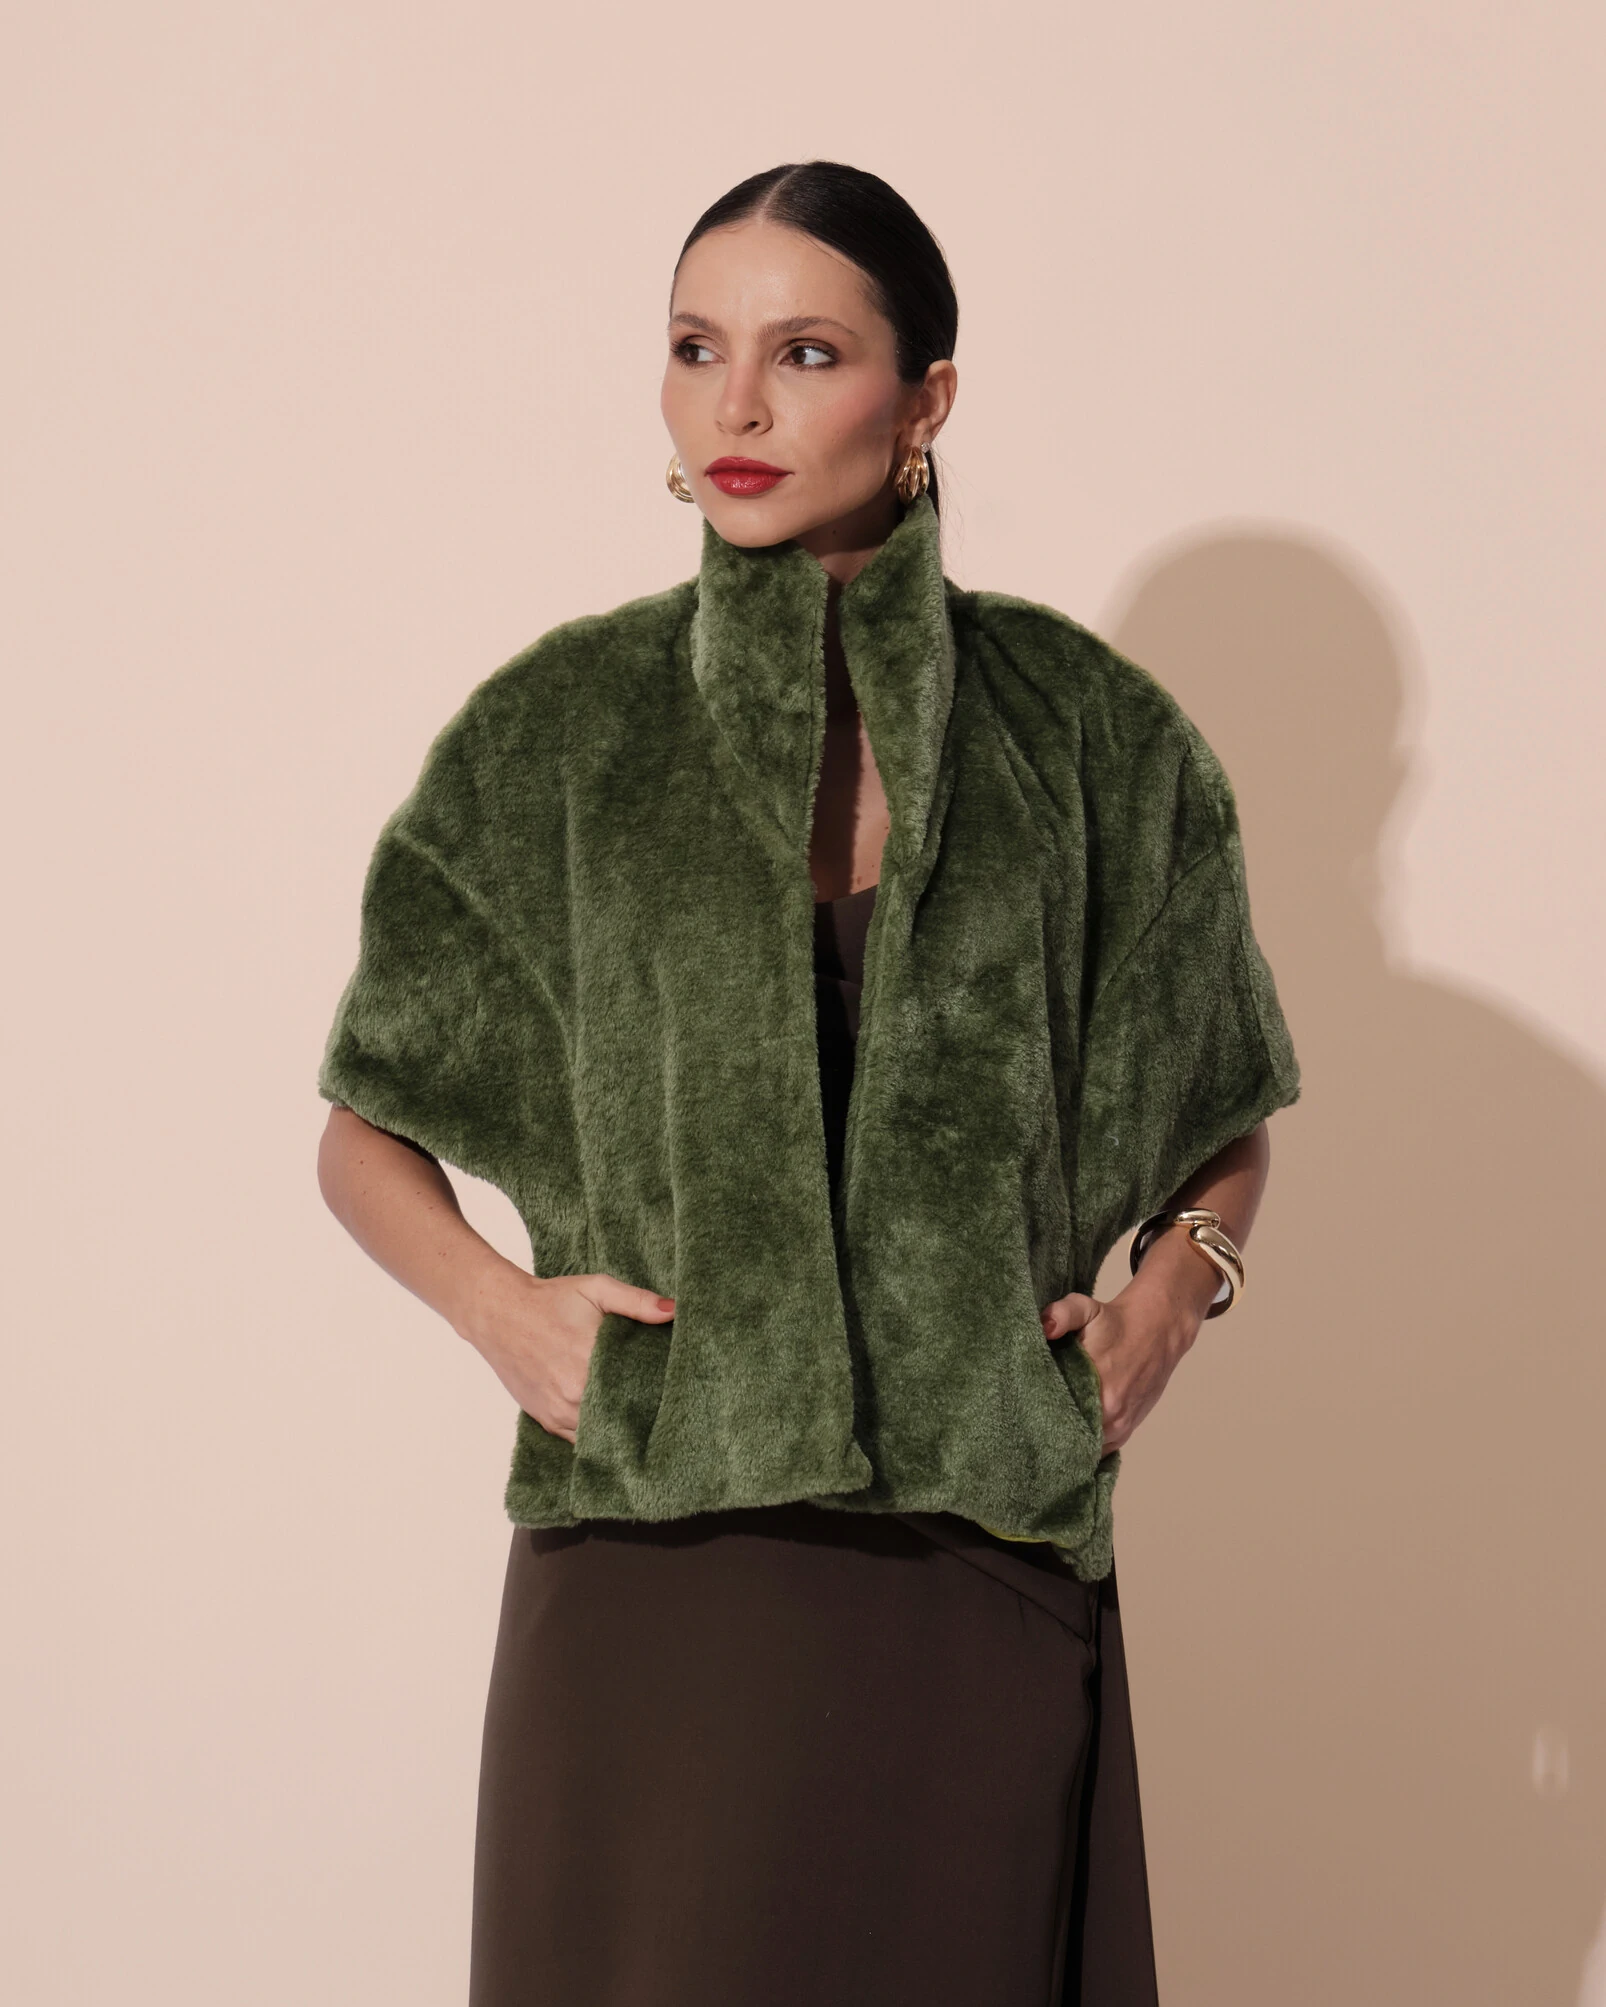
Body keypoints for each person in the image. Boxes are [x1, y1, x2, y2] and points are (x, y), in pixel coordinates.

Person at [316, 160, 1299, 2007]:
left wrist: (1174, 1296)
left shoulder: (1095, 736)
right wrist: (506, 1315)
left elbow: (1224, 1110)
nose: (738, 407)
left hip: (974, 1563)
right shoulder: (559, 730)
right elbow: (363, 1123)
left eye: (806, 352)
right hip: (649, 1560)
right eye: (696, 350)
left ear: (926, 399)